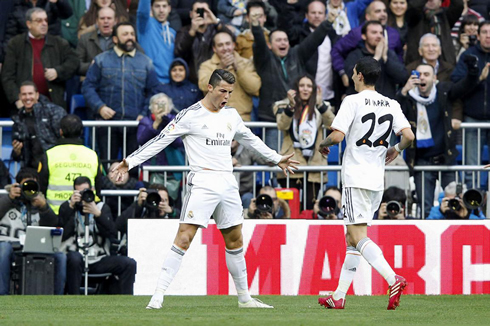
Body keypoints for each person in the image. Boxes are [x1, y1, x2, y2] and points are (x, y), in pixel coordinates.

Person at [111, 69, 299, 309]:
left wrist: (276, 158)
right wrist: (130, 162)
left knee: (234, 240)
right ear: (209, 88)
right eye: (222, 91)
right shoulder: (189, 115)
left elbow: (250, 139)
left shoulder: (231, 115)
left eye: (230, 92)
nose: (226, 97)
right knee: (184, 237)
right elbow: (160, 141)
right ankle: (157, 295)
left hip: (227, 183)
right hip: (202, 182)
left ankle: (244, 298)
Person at [317, 57, 414, 310]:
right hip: (375, 179)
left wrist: (322, 144)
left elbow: (337, 136)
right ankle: (338, 296)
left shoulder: (352, 100)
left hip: (355, 176)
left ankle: (393, 278)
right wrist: (395, 149)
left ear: (359, 75)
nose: (351, 76)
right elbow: (409, 136)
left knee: (357, 236)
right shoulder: (391, 103)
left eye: (353, 72)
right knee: (352, 237)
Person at [399, 60, 480, 218]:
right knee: (425, 206)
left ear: (434, 78)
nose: (422, 77)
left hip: (446, 159)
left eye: (426, 74)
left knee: (457, 201)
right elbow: (395, 111)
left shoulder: (443, 90)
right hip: (421, 161)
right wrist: (403, 91)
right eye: (419, 74)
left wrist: (472, 70)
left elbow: (464, 86)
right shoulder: (408, 97)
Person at [82, 22, 161, 166]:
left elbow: (154, 91)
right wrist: (100, 107)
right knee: (108, 165)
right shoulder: (101, 60)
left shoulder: (145, 62)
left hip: (135, 123)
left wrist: (144, 113)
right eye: (125, 34)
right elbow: (87, 87)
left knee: (133, 167)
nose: (130, 37)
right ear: (115, 39)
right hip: (107, 123)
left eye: (132, 34)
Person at [59, 176, 137, 295]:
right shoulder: (67, 207)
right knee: (74, 259)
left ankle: (125, 300)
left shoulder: (102, 207)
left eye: (86, 191)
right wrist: (71, 208)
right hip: (76, 257)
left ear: (93, 190)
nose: (83, 196)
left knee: (129, 264)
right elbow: (62, 235)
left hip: (98, 258)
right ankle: (73, 298)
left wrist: (98, 215)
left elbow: (112, 233)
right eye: (79, 192)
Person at [0, 168, 65, 295]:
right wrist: (9, 198)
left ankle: (58, 298)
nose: (29, 190)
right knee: (3, 249)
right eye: (25, 186)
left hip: (34, 248)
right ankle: (2, 295)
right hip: (9, 246)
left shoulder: (40, 203)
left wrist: (44, 208)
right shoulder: (6, 200)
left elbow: (54, 226)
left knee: (61, 256)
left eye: (32, 186)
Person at [273, 75, 335, 209]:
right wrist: (291, 106)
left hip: (314, 164)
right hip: (291, 163)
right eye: (302, 86)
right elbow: (281, 125)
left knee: (309, 208)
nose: (305, 89)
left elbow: (333, 124)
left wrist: (320, 104)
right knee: (290, 209)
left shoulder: (323, 106)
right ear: (295, 88)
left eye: (309, 86)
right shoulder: (282, 105)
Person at [2, 7, 79, 110]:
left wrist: (58, 71)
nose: (44, 24)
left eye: (46, 20)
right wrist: (17, 99)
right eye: (39, 20)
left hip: (53, 105)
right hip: (25, 105)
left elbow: (74, 61)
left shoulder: (58, 43)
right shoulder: (16, 44)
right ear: (29, 24)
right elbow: (7, 77)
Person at [452, 21, 490, 188]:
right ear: (478, 35)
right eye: (484, 32)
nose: (488, 36)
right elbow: (456, 85)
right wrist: (478, 79)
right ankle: (474, 207)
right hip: (473, 119)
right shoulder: (468, 55)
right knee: (471, 168)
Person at [39, 114, 103, 215]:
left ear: (61, 132)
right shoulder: (92, 155)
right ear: (81, 132)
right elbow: (99, 186)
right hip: (86, 213)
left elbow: (41, 186)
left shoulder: (49, 155)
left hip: (56, 213)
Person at [198, 29, 261, 121]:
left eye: (228, 44)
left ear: (233, 45)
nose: (225, 48)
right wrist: (220, 68)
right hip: (215, 118)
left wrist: (238, 68)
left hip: (241, 118)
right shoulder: (206, 65)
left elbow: (254, 88)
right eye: (220, 45)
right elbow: (203, 86)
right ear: (214, 49)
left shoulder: (246, 63)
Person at [344, 20, 408, 99]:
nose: (379, 36)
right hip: (362, 104)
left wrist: (385, 58)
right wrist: (376, 58)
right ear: (364, 36)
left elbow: (402, 76)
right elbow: (352, 77)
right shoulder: (355, 55)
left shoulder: (389, 54)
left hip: (385, 105)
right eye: (374, 33)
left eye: (381, 33)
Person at [11, 81, 67, 170]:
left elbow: (64, 140)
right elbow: (16, 156)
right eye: (24, 94)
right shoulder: (18, 119)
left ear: (37, 95)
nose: (27, 97)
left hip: (53, 166)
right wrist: (17, 151)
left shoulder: (53, 111)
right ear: (20, 97)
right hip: (30, 169)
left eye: (30, 93)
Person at [174, 0, 225, 84]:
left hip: (216, 79)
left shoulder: (215, 29)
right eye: (197, 11)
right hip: (192, 83)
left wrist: (216, 22)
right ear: (191, 14)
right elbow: (178, 53)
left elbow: (232, 41)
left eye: (204, 11)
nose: (201, 14)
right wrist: (192, 32)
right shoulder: (184, 31)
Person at [405, 0, 463, 65]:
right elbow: (414, 6)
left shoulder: (446, 15)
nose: (431, 0)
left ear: (441, 2)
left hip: (445, 62)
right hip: (418, 62)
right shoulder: (414, 15)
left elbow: (458, 4)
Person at [116, 184, 180, 237]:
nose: (160, 203)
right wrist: (138, 205)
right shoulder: (141, 211)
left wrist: (172, 212)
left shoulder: (172, 214)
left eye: (164, 200)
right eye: (157, 200)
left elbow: (184, 227)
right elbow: (119, 225)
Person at [137, 0, 176, 83]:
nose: (161, 10)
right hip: (151, 81)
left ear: (169, 8)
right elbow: (142, 12)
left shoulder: (173, 33)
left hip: (171, 83)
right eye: (157, 6)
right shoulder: (146, 26)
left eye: (164, 6)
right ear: (151, 8)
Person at [76, 6, 118, 76]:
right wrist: (92, 66)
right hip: (92, 81)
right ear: (97, 21)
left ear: (115, 21)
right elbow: (76, 65)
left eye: (109, 18)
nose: (106, 21)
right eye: (102, 18)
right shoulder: (85, 39)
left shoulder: (122, 39)